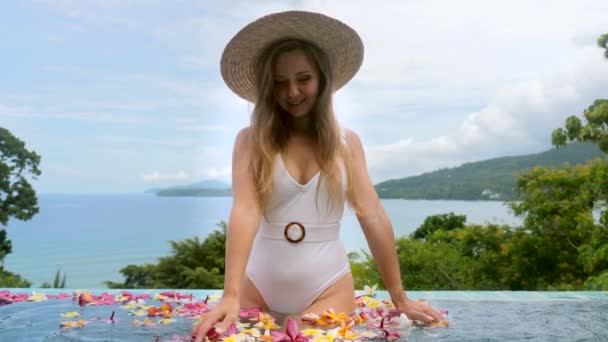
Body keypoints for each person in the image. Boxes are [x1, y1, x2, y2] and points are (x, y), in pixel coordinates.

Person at [192, 10, 446, 341]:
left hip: (327, 288)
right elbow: (245, 211)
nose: (293, 92)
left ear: (322, 79)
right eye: (280, 82)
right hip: (257, 287)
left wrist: (399, 297)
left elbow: (372, 214)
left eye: (303, 78)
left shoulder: (346, 143)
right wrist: (230, 295)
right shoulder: (250, 141)